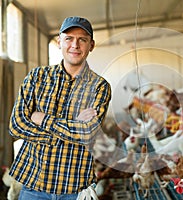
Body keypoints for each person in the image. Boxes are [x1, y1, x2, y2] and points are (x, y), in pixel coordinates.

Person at [8, 16, 111, 199]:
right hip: (34, 184)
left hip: (74, 188)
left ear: (91, 45)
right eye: (69, 38)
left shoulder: (99, 86)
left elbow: (87, 133)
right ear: (59, 42)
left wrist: (43, 120)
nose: (75, 45)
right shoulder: (37, 77)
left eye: (82, 40)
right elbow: (16, 125)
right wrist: (72, 127)